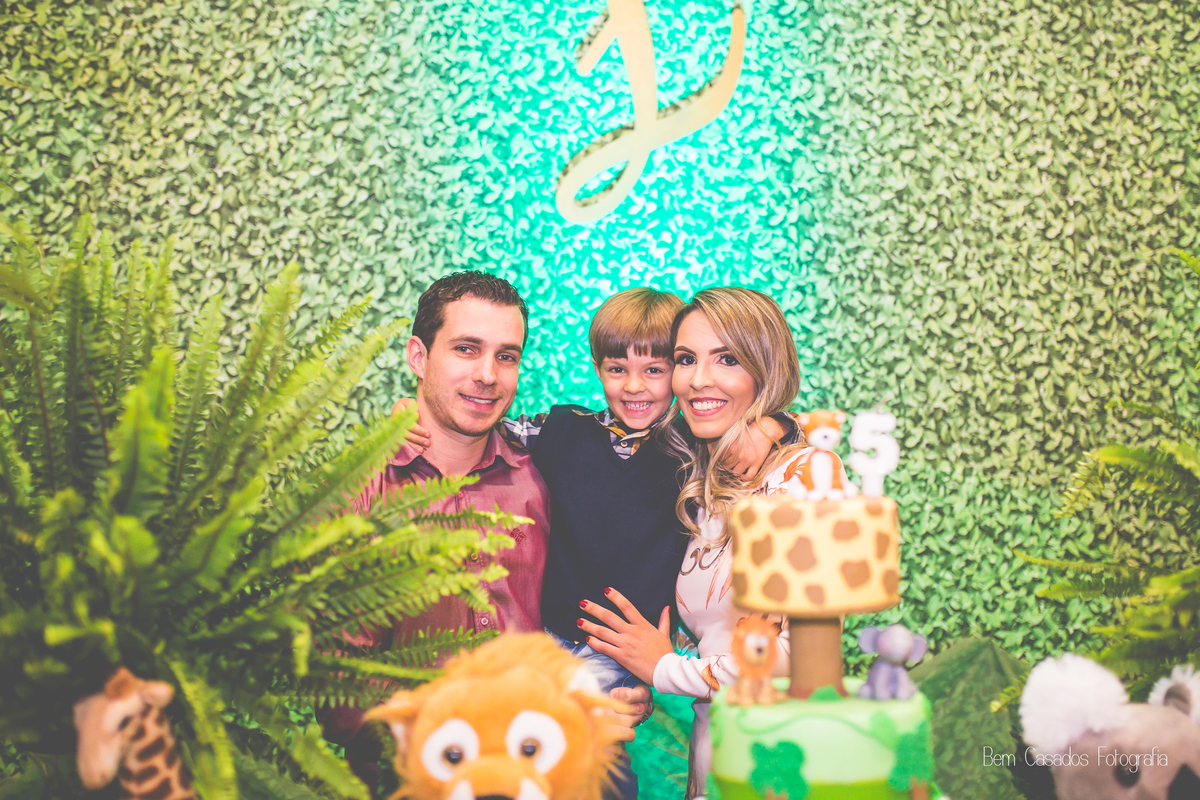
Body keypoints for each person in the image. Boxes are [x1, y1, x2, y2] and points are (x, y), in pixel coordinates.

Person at [397, 287, 797, 799]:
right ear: (597, 368)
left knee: (585, 761)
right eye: (616, 369)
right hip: (547, 634)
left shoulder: (691, 446)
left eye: (655, 370)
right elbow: (477, 427)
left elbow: (779, 442)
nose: (634, 386)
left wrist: (774, 425)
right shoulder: (562, 430)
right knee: (523, 747)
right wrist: (410, 411)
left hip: (617, 649)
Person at [321, 272, 649, 792]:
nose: (488, 375)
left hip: (545, 771)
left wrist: (628, 683)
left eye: (506, 356)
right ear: (418, 357)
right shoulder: (358, 493)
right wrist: (460, 736)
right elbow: (336, 686)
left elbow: (599, 588)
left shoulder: (543, 476)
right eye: (466, 349)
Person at [576, 287, 825, 799]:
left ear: (765, 368)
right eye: (686, 359)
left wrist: (665, 669)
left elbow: (805, 655)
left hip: (780, 763)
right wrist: (630, 678)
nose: (698, 379)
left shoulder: (805, 474)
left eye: (727, 359)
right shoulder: (702, 481)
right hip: (712, 760)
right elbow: (718, 635)